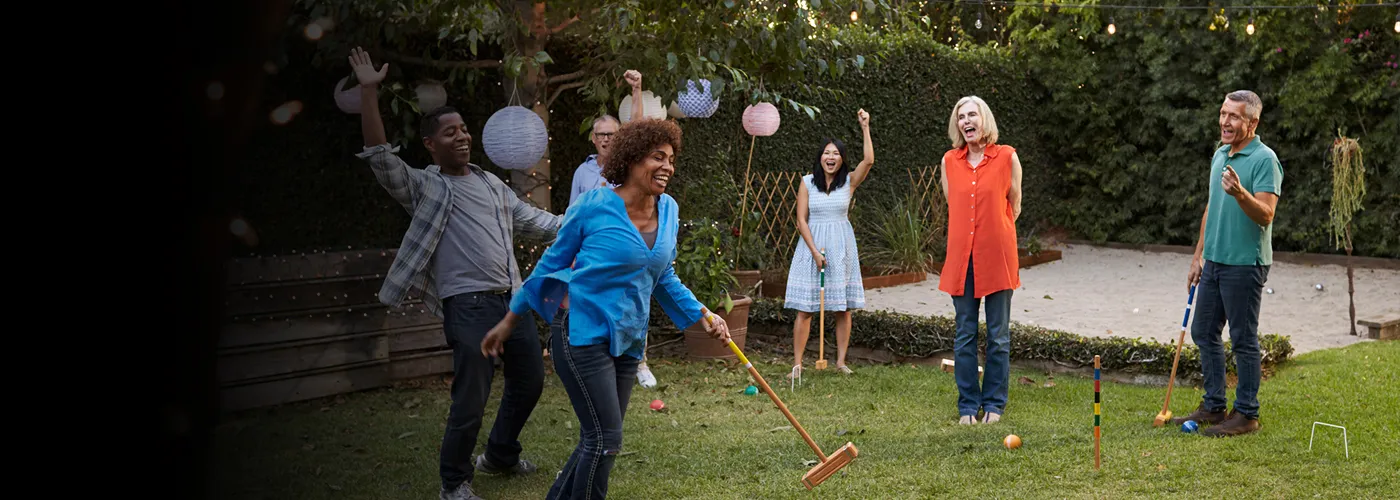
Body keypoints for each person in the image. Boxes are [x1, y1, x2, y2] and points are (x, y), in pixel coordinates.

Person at [481, 110, 731, 500]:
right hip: (582, 334)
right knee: (605, 439)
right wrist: (509, 322)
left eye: (671, 159)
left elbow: (663, 276)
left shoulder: (669, 210)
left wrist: (704, 313)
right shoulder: (593, 206)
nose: (667, 167)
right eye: (657, 157)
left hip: (629, 339)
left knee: (596, 439)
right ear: (631, 160)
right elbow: (549, 266)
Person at [347, 47, 561, 500]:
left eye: (463, 129)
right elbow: (382, 160)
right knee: (470, 399)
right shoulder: (427, 187)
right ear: (431, 144)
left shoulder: (489, 183)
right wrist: (369, 93)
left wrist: (592, 217)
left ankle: (500, 455)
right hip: (468, 305)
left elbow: (539, 223)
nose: (462, 137)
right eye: (450, 132)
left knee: (530, 381)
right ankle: (454, 483)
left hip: (512, 302)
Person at [1172, 90, 1282, 438]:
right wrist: (1197, 255)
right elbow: (1211, 208)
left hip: (1245, 263)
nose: (1225, 121)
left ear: (1253, 123)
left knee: (1243, 339)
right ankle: (1214, 405)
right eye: (1223, 113)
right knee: (1204, 331)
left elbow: (1265, 215)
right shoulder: (1220, 155)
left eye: (1234, 116)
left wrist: (1241, 193)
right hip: (1215, 261)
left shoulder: (1265, 160)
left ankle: (1247, 414)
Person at [564, 73, 660, 390]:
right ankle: (600, 361)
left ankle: (640, 362)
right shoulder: (583, 171)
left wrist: (636, 90)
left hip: (627, 247)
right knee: (595, 305)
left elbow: (638, 129)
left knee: (634, 302)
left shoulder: (629, 166)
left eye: (611, 134)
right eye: (600, 134)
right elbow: (571, 215)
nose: (606, 139)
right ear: (593, 139)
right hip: (593, 252)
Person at [937, 95, 1023, 425]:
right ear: (957, 125)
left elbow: (1014, 204)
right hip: (963, 259)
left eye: (972, 114)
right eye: (961, 117)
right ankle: (968, 405)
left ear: (984, 119)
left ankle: (995, 403)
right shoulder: (949, 161)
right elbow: (953, 205)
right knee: (965, 334)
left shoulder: (1007, 157)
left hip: (998, 256)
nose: (966, 121)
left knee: (999, 335)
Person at [785, 109, 874, 383]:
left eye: (836, 153)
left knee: (842, 307)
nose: (831, 157)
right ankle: (797, 364)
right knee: (805, 308)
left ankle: (840, 362)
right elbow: (801, 220)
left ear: (842, 159)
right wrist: (813, 251)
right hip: (811, 248)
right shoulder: (806, 182)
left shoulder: (848, 183)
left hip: (841, 246)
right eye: (827, 152)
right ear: (820, 157)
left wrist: (865, 127)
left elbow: (869, 160)